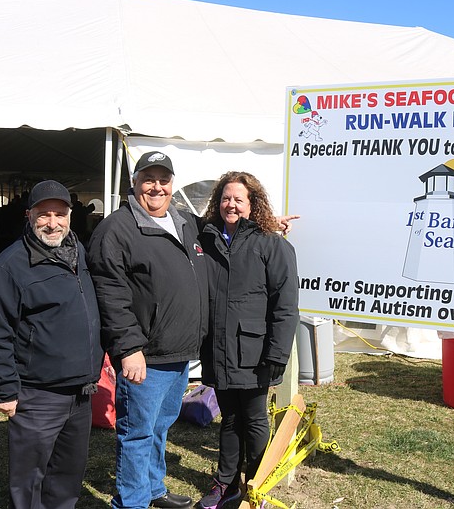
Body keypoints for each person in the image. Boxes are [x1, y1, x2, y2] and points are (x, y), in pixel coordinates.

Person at [87, 151, 208, 509]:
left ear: (173, 184)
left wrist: (265, 225)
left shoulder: (185, 221)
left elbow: (225, 236)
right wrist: (128, 348)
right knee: (137, 431)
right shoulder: (117, 229)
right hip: (145, 354)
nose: (156, 187)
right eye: (148, 179)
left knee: (160, 424)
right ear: (135, 182)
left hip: (179, 350)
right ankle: (131, 501)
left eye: (164, 180)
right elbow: (109, 294)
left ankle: (153, 487)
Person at [0, 180, 104, 509]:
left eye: (59, 214)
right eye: (44, 214)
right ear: (29, 216)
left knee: (67, 476)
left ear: (71, 216)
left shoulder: (79, 253)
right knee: (29, 479)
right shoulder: (9, 266)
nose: (52, 222)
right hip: (37, 394)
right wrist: (3, 389)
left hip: (81, 391)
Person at [195, 172, 299, 509]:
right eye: (226, 198)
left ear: (253, 204)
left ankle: (257, 482)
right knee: (229, 417)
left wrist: (278, 353)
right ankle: (227, 483)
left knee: (254, 419)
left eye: (239, 199)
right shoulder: (207, 239)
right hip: (219, 347)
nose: (231, 204)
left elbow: (286, 304)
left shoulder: (272, 244)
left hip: (255, 351)